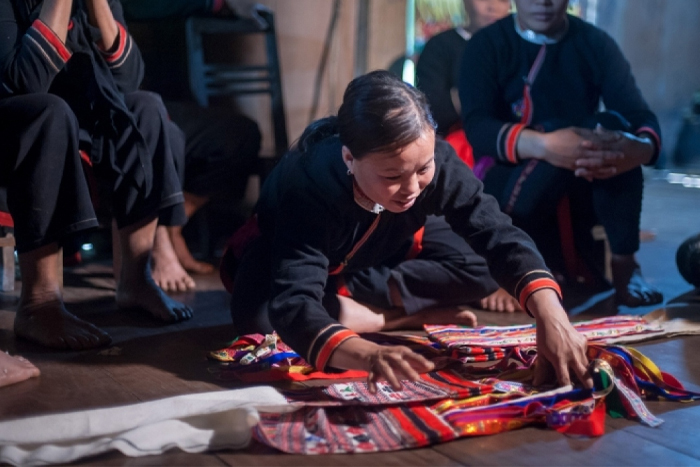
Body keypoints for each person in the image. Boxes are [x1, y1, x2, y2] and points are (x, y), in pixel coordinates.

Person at [221, 70, 593, 391]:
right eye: (393, 175)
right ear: (350, 158)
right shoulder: (309, 186)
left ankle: (351, 305)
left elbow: (497, 233)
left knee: (481, 269)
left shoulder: (434, 163)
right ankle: (392, 317)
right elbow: (296, 302)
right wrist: (367, 352)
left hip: (380, 244)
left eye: (423, 169)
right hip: (286, 253)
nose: (413, 187)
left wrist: (552, 316)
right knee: (265, 318)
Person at [0, 0, 193, 350]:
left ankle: (135, 280)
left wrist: (98, 4)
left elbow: (128, 78)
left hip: (73, 117)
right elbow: (26, 84)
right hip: (17, 117)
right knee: (51, 113)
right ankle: (38, 303)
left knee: (145, 108)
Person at [459, 0, 664, 307]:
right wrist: (547, 145)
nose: (543, 2)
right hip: (510, 172)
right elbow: (478, 128)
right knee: (555, 132)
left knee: (611, 130)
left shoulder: (594, 42)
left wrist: (640, 148)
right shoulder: (486, 45)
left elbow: (638, 114)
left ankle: (625, 264)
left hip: (583, 167)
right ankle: (509, 268)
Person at [121, 0, 265, 292]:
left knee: (242, 134)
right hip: (127, 101)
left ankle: (174, 225)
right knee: (159, 128)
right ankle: (157, 242)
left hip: (167, 98)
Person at [416, 0, 515, 312]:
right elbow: (436, 109)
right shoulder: (441, 47)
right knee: (466, 170)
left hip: (518, 137)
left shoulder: (520, 46)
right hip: (463, 137)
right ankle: (486, 273)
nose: (491, 5)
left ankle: (522, 272)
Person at [416, 0, 511, 136]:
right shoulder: (440, 47)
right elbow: (432, 109)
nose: (493, 7)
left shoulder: (519, 48)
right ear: (466, 2)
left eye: (502, 0)